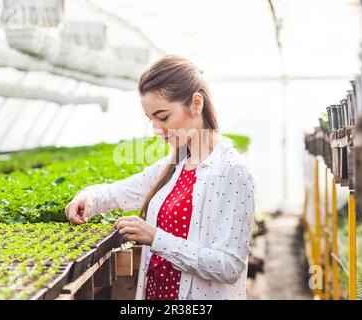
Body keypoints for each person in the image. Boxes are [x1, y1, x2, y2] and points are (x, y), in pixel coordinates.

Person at [65, 55, 256, 300]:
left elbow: (228, 265)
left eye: (163, 117)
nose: (157, 130)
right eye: (151, 119)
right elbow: (121, 192)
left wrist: (156, 238)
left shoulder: (231, 171)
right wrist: (89, 197)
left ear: (196, 103)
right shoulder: (175, 165)